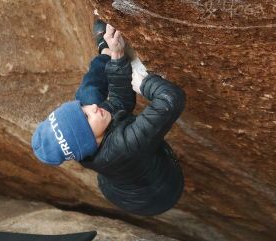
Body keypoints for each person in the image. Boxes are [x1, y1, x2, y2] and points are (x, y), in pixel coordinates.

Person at [31, 20, 186, 216]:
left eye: (82, 110)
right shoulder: (125, 146)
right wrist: (144, 83)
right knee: (91, 100)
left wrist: (118, 56)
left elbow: (119, 104)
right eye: (86, 117)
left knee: (86, 96)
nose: (94, 108)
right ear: (89, 140)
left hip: (115, 185)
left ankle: (104, 53)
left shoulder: (85, 143)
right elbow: (171, 99)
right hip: (158, 193)